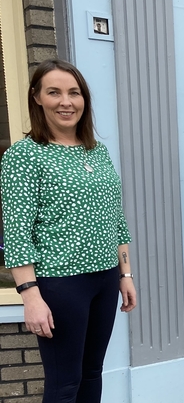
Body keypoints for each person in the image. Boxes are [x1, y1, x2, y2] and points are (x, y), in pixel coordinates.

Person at [0, 59, 137, 402]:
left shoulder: (98, 151)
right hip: (61, 285)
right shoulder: (25, 155)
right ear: (37, 99)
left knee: (92, 374)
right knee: (64, 384)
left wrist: (125, 273)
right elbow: (17, 232)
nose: (66, 101)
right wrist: (30, 296)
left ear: (84, 100)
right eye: (54, 92)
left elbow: (115, 218)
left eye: (74, 93)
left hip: (105, 280)